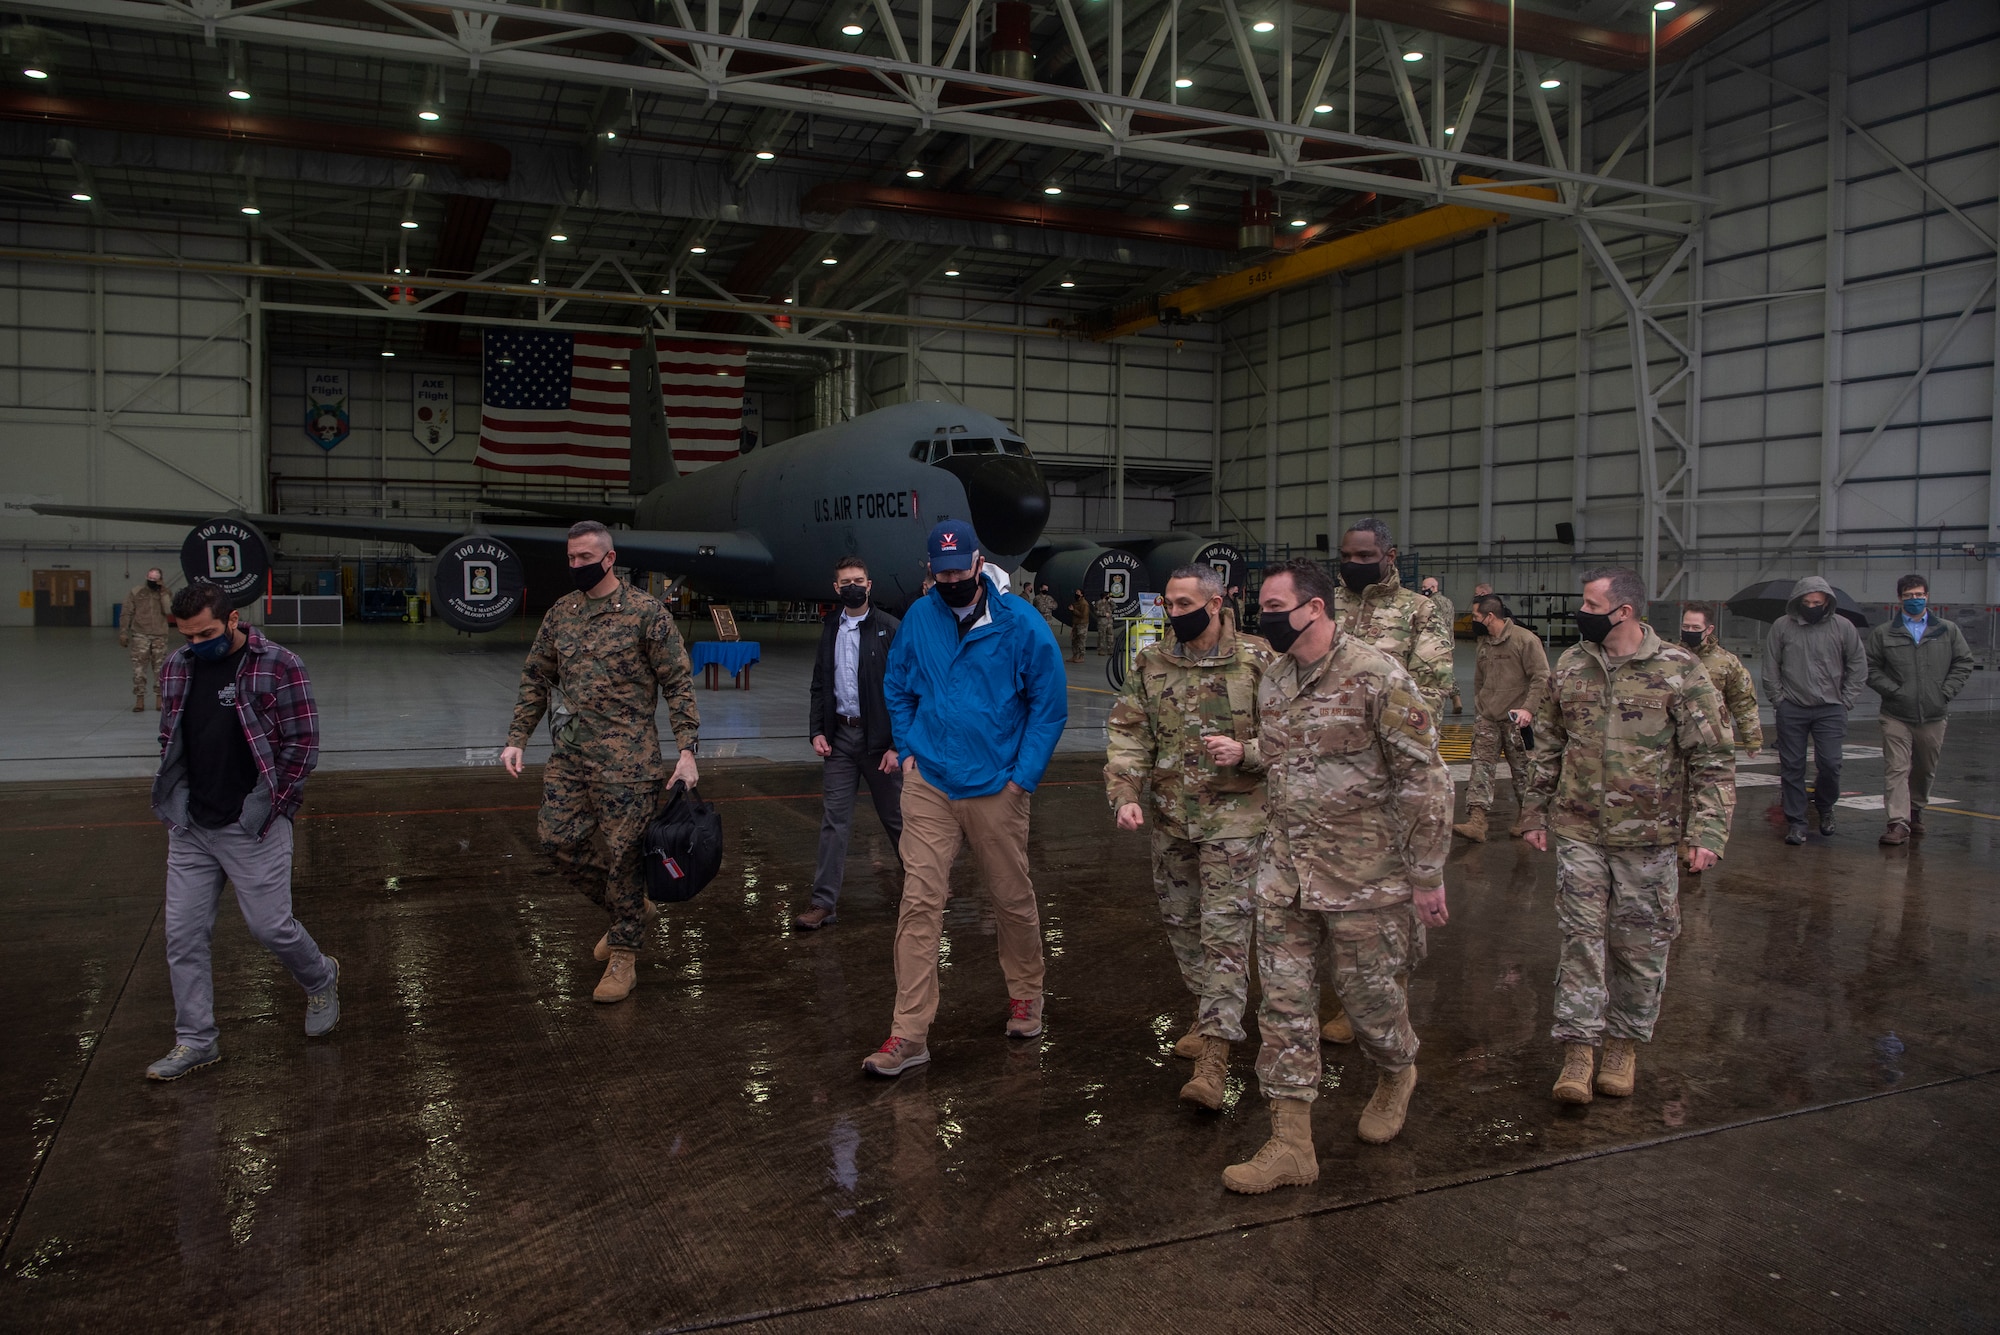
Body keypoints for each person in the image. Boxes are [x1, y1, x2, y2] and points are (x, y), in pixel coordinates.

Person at [1220, 560, 1450, 1193]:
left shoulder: (1377, 675)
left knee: (1369, 1002)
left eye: (1272, 604)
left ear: (1314, 608)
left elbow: (1425, 779)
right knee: (1284, 1006)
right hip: (1286, 874)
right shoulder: (1273, 680)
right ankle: (1291, 1143)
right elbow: (1285, 756)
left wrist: (1427, 875)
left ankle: (1397, 1069)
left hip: (1364, 878)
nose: (1260, 615)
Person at [862, 520, 1068, 1077]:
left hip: (995, 785)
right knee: (920, 903)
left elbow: (1049, 708)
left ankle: (1026, 993)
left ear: (978, 564)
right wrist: (906, 748)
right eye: (942, 572)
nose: (952, 580)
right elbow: (898, 686)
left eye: (960, 570)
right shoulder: (919, 621)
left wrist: (1021, 778)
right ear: (931, 571)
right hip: (929, 781)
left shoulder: (1020, 625)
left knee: (1010, 897)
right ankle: (909, 1033)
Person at [1521, 568, 1733, 1106]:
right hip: (1579, 830)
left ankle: (1623, 1044)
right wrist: (1532, 812)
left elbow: (1712, 758)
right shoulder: (1570, 666)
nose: (1581, 611)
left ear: (1625, 612)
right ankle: (1577, 1049)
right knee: (1580, 941)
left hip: (1650, 837)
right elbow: (1546, 742)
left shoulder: (1680, 671)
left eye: (1591, 603)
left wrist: (1706, 831)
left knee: (1641, 947)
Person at [143, 581, 339, 1080]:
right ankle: (196, 1041)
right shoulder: (176, 668)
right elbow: (172, 740)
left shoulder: (279, 665)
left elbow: (302, 747)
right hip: (191, 826)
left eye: (206, 633)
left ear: (233, 620)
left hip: (253, 824)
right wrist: (176, 802)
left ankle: (321, 977)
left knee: (269, 926)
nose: (196, 643)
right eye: (186, 635)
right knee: (182, 937)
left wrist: (270, 808)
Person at [501, 521, 700, 1004]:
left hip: (628, 764)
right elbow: (535, 676)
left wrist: (688, 750)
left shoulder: (645, 614)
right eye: (570, 559)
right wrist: (517, 739)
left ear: (609, 559)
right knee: (556, 841)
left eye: (585, 558)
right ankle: (629, 911)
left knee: (625, 859)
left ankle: (624, 957)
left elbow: (678, 684)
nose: (576, 566)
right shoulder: (561, 614)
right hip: (570, 756)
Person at [1105, 564, 1278, 1110]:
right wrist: (1125, 795)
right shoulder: (1151, 663)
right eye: (1169, 606)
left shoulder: (1258, 661)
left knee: (1223, 935)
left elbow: (1293, 735)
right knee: (1183, 927)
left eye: (1185, 604)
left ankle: (1216, 1059)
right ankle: (1210, 1014)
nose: (1175, 614)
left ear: (1216, 602)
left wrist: (1248, 753)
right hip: (1171, 820)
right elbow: (1129, 735)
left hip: (1237, 824)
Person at [1319, 517, 1452, 1045]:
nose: (1352, 565)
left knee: (1395, 892)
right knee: (1336, 886)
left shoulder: (1420, 613)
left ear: (1390, 556)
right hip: (1329, 773)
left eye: (1363, 556)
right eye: (1346, 556)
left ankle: (1387, 988)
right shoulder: (1324, 606)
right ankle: (1352, 993)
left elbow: (1433, 690)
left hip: (1390, 773)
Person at [797, 556, 903, 929]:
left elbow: (906, 691)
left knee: (897, 820)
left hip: (880, 743)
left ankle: (924, 891)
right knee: (833, 822)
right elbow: (820, 684)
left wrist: (897, 746)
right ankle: (823, 903)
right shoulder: (830, 628)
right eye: (846, 582)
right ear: (836, 588)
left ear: (869, 585)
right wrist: (817, 730)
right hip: (841, 738)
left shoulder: (890, 629)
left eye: (859, 580)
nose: (852, 586)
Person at [1866, 575, 1973, 846]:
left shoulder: (1947, 631)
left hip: (1933, 714)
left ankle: (1915, 809)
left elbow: (1963, 662)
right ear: (1899, 598)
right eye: (1909, 595)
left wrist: (1945, 692)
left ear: (1928, 596)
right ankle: (1897, 823)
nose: (1915, 599)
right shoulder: (1884, 633)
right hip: (1895, 713)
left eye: (1919, 595)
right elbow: (1871, 667)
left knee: (1925, 769)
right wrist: (1893, 690)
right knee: (1897, 768)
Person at [1761, 576, 1866, 845]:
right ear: (1798, 602)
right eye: (1806, 602)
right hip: (1792, 707)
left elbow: (1857, 664)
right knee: (1791, 767)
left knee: (1830, 764)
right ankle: (1796, 821)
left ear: (1827, 602)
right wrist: (1779, 700)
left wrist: (1847, 701)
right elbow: (1771, 664)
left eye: (1817, 602)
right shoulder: (1782, 627)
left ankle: (1825, 806)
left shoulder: (1843, 627)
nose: (1811, 606)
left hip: (1830, 708)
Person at [1453, 595, 1549, 843]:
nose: (1473, 622)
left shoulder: (1525, 640)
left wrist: (1528, 709)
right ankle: (1477, 821)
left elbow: (1541, 677)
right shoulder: (1484, 643)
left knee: (1522, 772)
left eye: (1475, 617)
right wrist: (1479, 706)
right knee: (1480, 768)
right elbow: (1479, 680)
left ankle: (1526, 819)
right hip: (1487, 718)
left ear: (1490, 616)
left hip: (1517, 720)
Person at [1679, 606, 1761, 875]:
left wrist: (1752, 738)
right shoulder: (1672, 658)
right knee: (1677, 795)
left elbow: (1743, 701)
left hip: (1712, 741)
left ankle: (1697, 847)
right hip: (1677, 739)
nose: (1689, 632)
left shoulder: (1726, 663)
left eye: (1695, 628)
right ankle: (1680, 846)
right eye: (1686, 627)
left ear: (1709, 629)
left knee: (1704, 795)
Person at [121, 567, 175, 712]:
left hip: (160, 635)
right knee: (139, 668)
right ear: (146, 577)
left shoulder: (165, 593)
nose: (152, 582)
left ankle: (159, 698)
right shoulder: (136, 592)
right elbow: (126, 612)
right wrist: (123, 633)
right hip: (140, 634)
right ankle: (139, 699)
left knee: (160, 668)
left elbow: (168, 610)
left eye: (155, 580)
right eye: (150, 579)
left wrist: (162, 591)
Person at [1418, 577, 1464, 713]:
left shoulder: (1429, 602)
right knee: (1447, 670)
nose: (1422, 589)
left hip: (1434, 642)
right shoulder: (1448, 602)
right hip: (1449, 641)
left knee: (1431, 672)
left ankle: (1433, 704)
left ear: (1433, 587)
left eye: (1425, 586)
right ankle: (1456, 698)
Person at [1067, 588, 1092, 663]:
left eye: (1078, 592)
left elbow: (1083, 615)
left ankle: (1081, 656)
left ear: (1081, 594)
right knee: (1074, 640)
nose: (1076, 594)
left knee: (1081, 641)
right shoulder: (1076, 602)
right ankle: (1075, 655)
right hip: (1076, 624)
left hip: (1082, 624)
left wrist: (1073, 610)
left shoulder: (1084, 604)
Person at [1094, 591, 1118, 657]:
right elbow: (1096, 612)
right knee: (1101, 636)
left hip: (1109, 622)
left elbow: (1114, 607)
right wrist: (1104, 614)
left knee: (1110, 636)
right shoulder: (1099, 603)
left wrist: (1111, 601)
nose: (1109, 596)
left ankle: (1110, 650)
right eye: (1108, 595)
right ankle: (1101, 650)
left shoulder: (1109, 603)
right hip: (1102, 622)